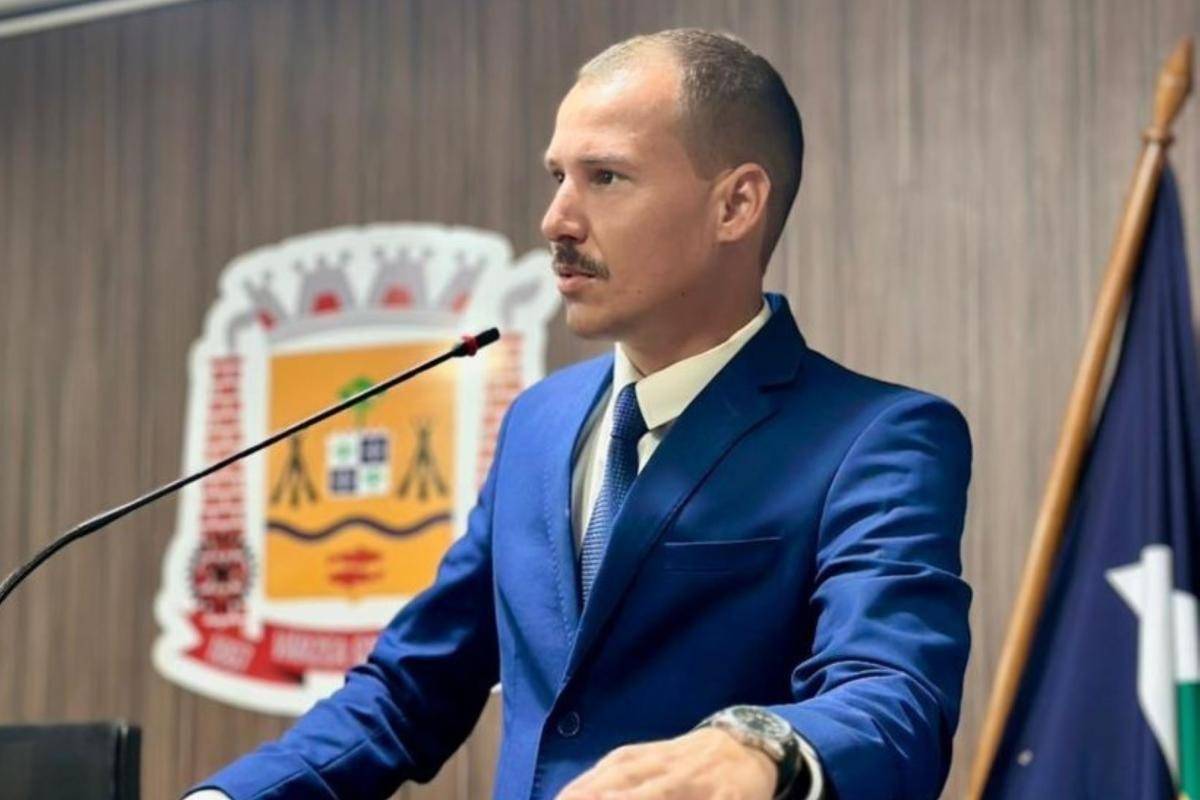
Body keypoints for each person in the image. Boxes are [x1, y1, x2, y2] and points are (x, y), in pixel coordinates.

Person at [188, 28, 971, 800]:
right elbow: (408, 688)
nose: (556, 220)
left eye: (605, 177)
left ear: (735, 204)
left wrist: (759, 749)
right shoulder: (539, 422)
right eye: (558, 176)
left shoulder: (877, 439)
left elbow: (892, 699)